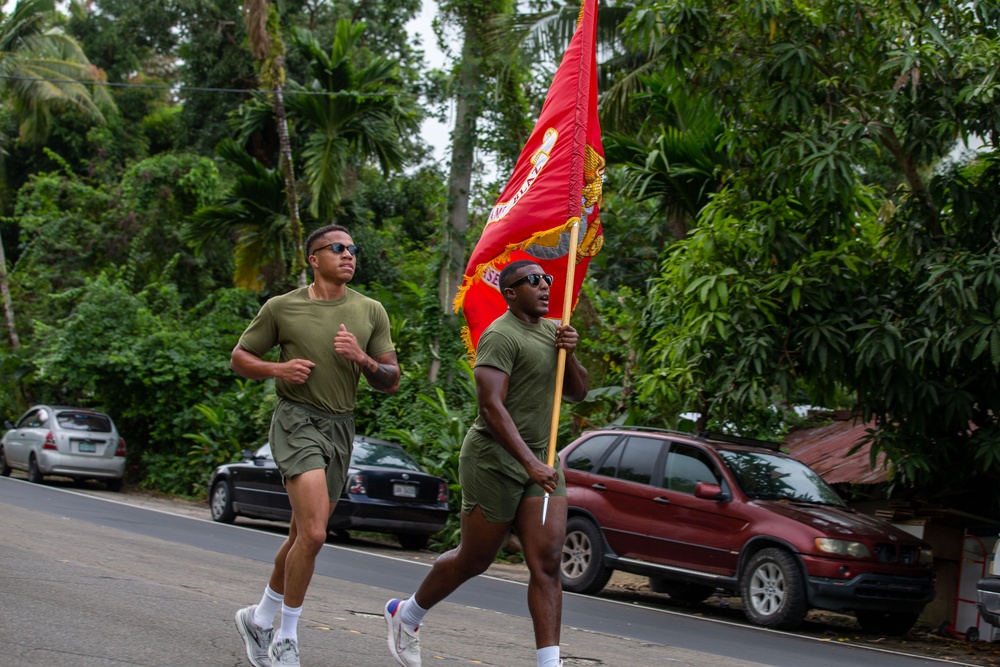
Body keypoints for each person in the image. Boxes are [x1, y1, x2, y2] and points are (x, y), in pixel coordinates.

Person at [384, 259, 588, 667]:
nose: (545, 285)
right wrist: (529, 463)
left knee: (547, 563)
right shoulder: (499, 335)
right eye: (533, 280)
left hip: (542, 463)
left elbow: (578, 392)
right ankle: (406, 615)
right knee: (475, 558)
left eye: (546, 279)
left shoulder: (554, 333)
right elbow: (491, 407)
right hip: (494, 460)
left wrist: (572, 353)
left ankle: (550, 664)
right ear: (510, 293)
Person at [231, 224, 400, 667]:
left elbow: (391, 380)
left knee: (300, 536)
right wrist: (278, 370)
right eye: (337, 248)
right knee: (315, 533)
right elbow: (240, 358)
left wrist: (362, 358)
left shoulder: (370, 311)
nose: (348, 255)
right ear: (314, 258)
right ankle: (286, 636)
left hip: (341, 427)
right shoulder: (282, 307)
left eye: (352, 249)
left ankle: (259, 617)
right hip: (296, 421)